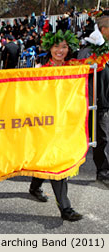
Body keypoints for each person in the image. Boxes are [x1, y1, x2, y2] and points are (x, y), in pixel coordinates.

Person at [29, 30, 83, 222]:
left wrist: (102, 44)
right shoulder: (40, 71)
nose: (60, 50)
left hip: (67, 125)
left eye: (64, 47)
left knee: (47, 160)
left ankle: (34, 187)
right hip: (46, 125)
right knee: (55, 161)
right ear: (49, 48)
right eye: (56, 46)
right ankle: (66, 209)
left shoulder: (74, 67)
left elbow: (99, 61)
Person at [78, 15, 109, 184]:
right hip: (91, 103)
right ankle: (102, 171)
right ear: (103, 30)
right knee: (92, 137)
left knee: (103, 137)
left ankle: (103, 170)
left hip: (104, 101)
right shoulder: (89, 50)